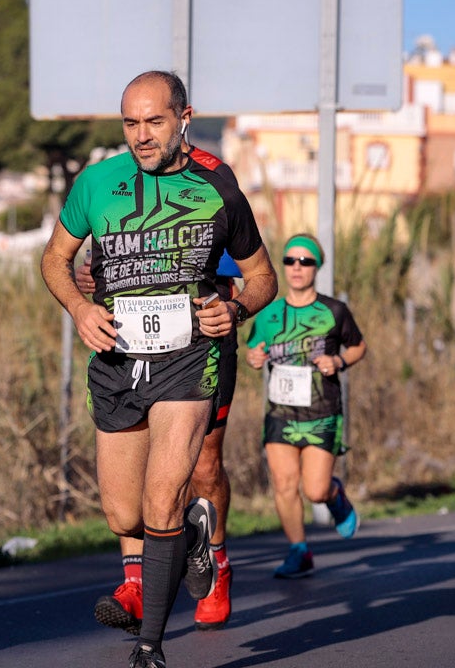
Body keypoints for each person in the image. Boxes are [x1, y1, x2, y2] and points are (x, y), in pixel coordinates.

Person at [39, 70, 277, 668]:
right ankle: (191, 538)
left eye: (154, 121)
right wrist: (78, 306)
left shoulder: (219, 185)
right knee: (125, 515)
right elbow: (55, 259)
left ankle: (151, 645)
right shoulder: (95, 182)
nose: (141, 136)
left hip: (188, 357)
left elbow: (263, 278)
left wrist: (235, 307)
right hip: (117, 360)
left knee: (163, 500)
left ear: (183, 118)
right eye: (130, 123)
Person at [80, 242, 242, 633]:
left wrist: (230, 307)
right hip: (132, 351)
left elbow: (247, 271)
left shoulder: (208, 186)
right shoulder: (118, 188)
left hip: (198, 351)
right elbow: (93, 270)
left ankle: (215, 562)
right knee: (134, 471)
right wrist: (86, 277)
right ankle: (136, 582)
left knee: (203, 466)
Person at [244, 234, 366, 578]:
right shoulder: (270, 313)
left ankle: (334, 494)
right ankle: (299, 550)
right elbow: (256, 348)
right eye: (290, 261)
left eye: (306, 261)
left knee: (314, 490)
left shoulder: (334, 311)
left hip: (321, 412)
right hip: (280, 412)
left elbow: (358, 347)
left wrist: (339, 362)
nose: (297, 268)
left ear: (317, 266)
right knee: (283, 484)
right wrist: (255, 357)